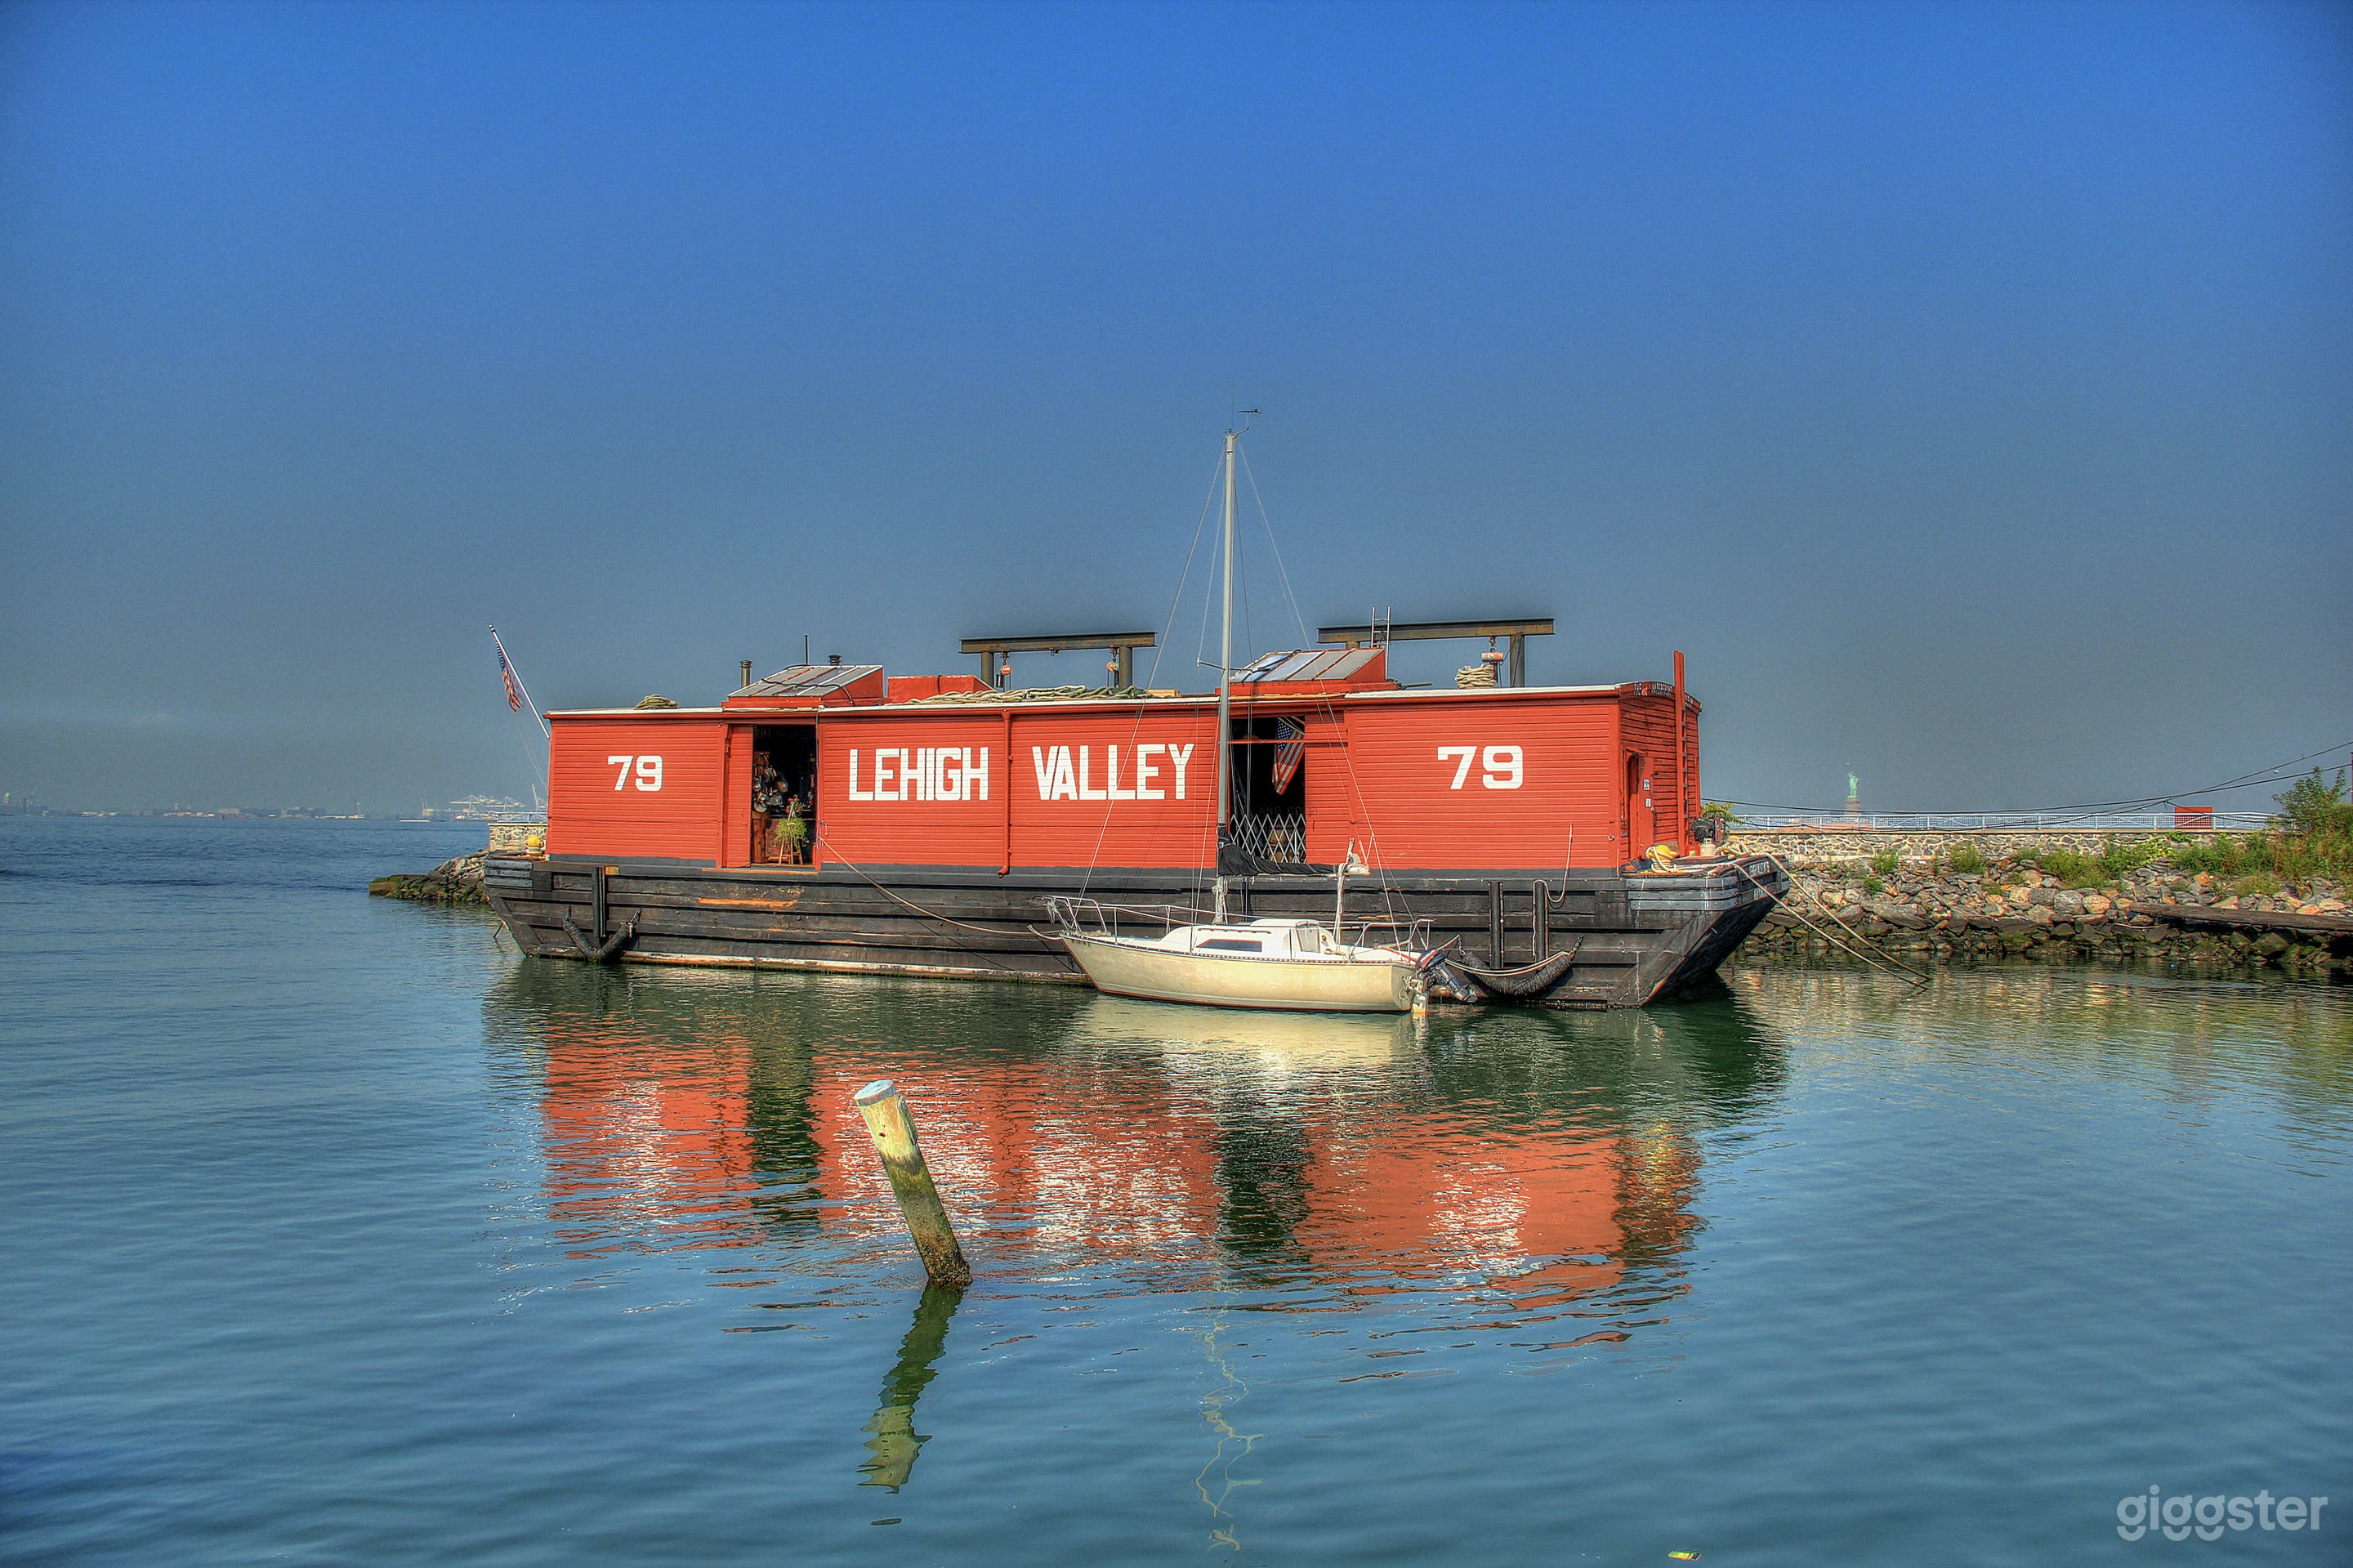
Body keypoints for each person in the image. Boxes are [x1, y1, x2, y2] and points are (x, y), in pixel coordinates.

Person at [751, 754, 788, 864]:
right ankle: (758, 857)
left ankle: (761, 856)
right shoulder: (759, 784)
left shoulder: (769, 784)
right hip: (759, 815)